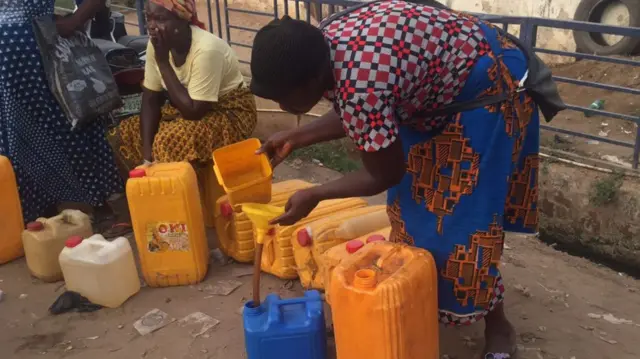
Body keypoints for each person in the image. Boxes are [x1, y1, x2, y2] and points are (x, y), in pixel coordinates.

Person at [250, 2, 541, 358]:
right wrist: (296, 137)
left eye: (284, 97)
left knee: (466, 223)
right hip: (436, 92)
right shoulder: (319, 47)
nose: (281, 108)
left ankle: (498, 326)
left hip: (485, 89)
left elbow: (384, 172)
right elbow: (360, 109)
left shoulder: (362, 84)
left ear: (312, 78)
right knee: (409, 213)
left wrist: (316, 194)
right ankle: (412, 299)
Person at [0, 0, 123, 223]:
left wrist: (74, 21)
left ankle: (99, 207)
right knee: (18, 136)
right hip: (7, 63)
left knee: (66, 124)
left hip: (36, 50)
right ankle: (43, 215)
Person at [107, 0, 257, 174]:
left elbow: (194, 112)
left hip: (229, 112)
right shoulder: (155, 44)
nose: (152, 26)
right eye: (149, 18)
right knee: (124, 133)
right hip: (184, 107)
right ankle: (148, 190)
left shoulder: (206, 49)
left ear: (183, 19)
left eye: (161, 19)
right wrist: (147, 157)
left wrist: (163, 62)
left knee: (169, 140)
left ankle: (181, 195)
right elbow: (150, 99)